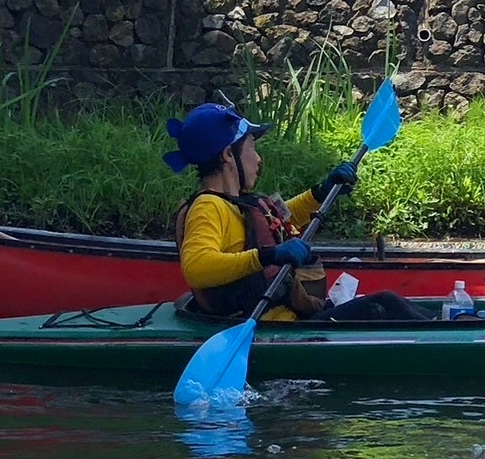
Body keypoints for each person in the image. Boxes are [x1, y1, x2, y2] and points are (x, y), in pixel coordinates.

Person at [163, 102, 432, 322]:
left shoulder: (236, 204)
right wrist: (268, 256)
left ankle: (453, 325)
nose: (258, 159)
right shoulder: (208, 207)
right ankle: (450, 333)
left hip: (286, 319)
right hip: (266, 325)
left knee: (382, 305)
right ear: (227, 155)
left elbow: (278, 220)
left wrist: (321, 192)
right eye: (251, 148)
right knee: (382, 304)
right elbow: (197, 267)